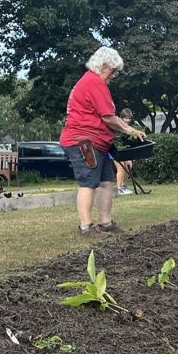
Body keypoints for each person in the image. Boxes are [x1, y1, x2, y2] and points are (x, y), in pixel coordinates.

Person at [59, 47, 145, 235]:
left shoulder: (92, 82)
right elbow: (108, 117)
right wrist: (130, 130)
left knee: (107, 181)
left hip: (96, 143)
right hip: (83, 142)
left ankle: (106, 223)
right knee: (89, 183)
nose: (114, 75)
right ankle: (86, 227)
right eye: (113, 71)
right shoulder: (93, 82)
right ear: (103, 65)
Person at [114, 107, 135, 196]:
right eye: (126, 118)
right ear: (121, 117)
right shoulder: (117, 127)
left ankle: (123, 186)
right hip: (115, 150)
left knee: (128, 166)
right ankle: (119, 188)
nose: (127, 120)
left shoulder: (129, 128)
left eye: (129, 118)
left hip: (124, 151)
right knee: (121, 168)